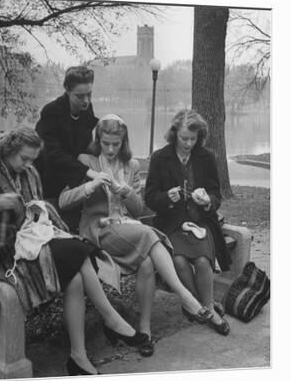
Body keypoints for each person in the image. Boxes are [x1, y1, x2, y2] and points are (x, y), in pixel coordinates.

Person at [0, 126, 147, 376]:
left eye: (32, 159)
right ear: (8, 150)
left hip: (32, 244)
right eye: (24, 158)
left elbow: (36, 212)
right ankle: (111, 318)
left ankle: (78, 356)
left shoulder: (30, 173)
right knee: (78, 250)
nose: (28, 164)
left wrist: (36, 212)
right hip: (1, 256)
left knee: (75, 276)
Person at [58, 114, 214, 357]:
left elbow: (139, 209)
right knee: (146, 233)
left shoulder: (131, 166)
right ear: (97, 140)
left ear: (124, 142)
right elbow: (63, 201)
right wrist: (89, 186)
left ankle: (144, 330)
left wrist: (127, 192)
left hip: (128, 233)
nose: (110, 149)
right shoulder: (86, 162)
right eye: (105, 143)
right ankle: (186, 297)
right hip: (98, 231)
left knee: (148, 262)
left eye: (116, 144)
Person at [144, 109, 232, 336]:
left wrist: (206, 202)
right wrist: (166, 198)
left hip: (201, 222)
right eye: (184, 138)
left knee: (203, 261)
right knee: (180, 262)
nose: (188, 143)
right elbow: (150, 197)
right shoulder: (160, 158)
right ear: (174, 134)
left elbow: (216, 194)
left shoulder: (207, 157)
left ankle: (205, 308)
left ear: (199, 137)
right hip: (171, 223)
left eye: (193, 139)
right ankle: (205, 308)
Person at [34, 66, 109, 230]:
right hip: (50, 183)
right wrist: (87, 172)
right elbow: (52, 155)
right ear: (67, 90)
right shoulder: (51, 111)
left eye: (89, 94)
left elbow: (87, 146)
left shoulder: (86, 108)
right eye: (80, 96)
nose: (86, 101)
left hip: (75, 183)